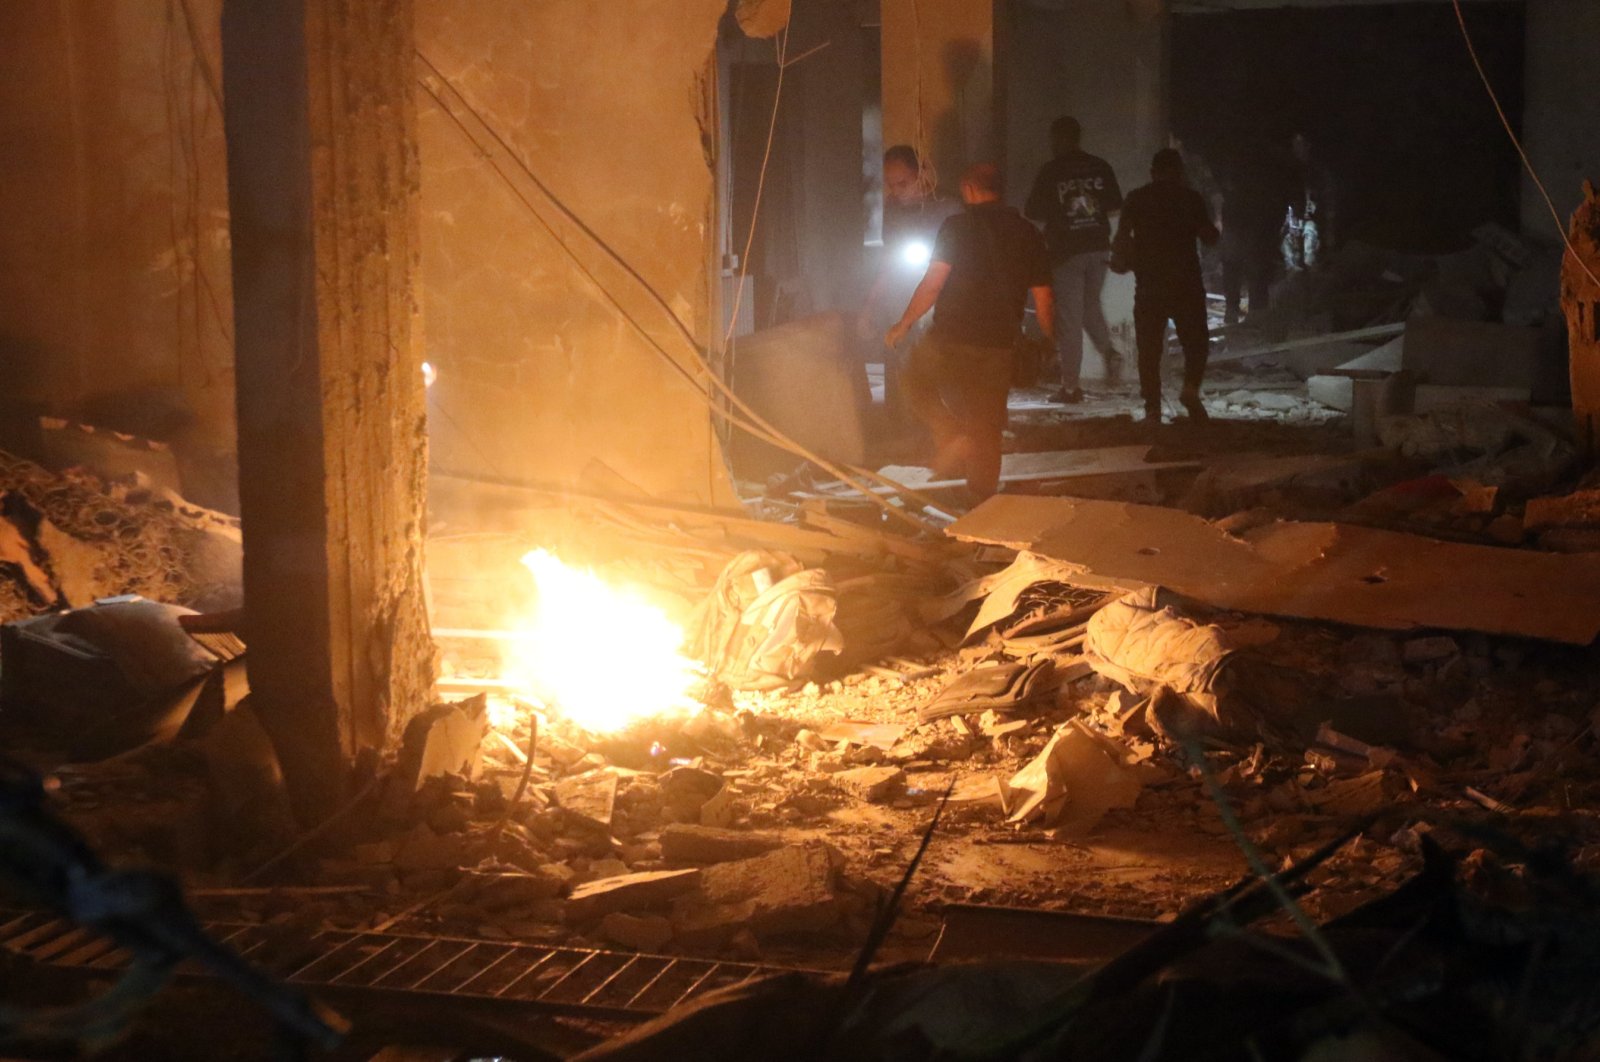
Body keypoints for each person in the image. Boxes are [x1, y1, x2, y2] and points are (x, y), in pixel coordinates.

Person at [886, 163, 1054, 502]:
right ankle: (982, 500)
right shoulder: (1029, 233)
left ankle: (950, 435)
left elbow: (933, 285)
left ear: (968, 189)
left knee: (914, 380)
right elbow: (1044, 297)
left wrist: (903, 324)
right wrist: (1050, 340)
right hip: (998, 343)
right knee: (987, 424)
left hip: (950, 337)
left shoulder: (956, 227)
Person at [858, 146, 963, 441]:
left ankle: (953, 435)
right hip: (902, 300)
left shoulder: (948, 208)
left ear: (923, 175)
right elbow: (888, 263)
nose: (897, 191)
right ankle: (911, 434)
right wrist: (870, 306)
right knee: (904, 369)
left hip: (942, 301)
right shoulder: (893, 212)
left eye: (903, 183)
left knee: (942, 369)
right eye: (891, 184)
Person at [1110, 148, 1220, 424]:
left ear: (1153, 172)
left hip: (1150, 284)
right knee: (1196, 343)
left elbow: (1121, 240)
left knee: (1149, 350)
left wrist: (1125, 260)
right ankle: (1190, 390)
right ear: (1180, 172)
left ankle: (1153, 408)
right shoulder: (1190, 198)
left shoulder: (1136, 199)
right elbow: (1209, 237)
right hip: (1186, 283)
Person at [1024, 116, 1123, 403]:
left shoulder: (1051, 170)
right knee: (1090, 306)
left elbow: (1034, 211)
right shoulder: (1099, 166)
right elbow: (1115, 206)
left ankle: (1069, 388)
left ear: (1057, 139)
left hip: (1067, 252)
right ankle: (1110, 353)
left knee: (1069, 320)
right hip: (1098, 248)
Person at [1282, 132, 1336, 272]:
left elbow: (1328, 199)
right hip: (1291, 221)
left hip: (1312, 222)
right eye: (1294, 145)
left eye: (1300, 144)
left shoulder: (1318, 171)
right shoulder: (1288, 170)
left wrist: (1329, 228)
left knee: (1310, 257)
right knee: (1290, 261)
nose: (1297, 148)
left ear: (1308, 146)